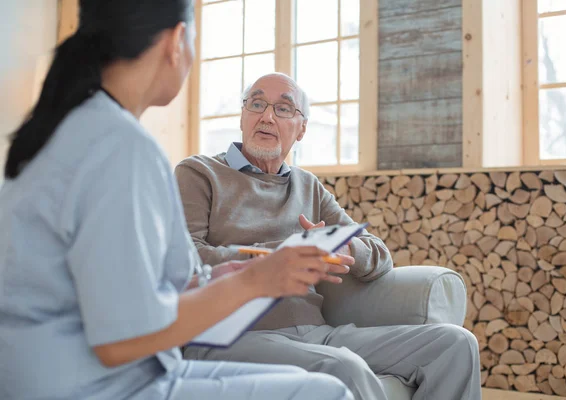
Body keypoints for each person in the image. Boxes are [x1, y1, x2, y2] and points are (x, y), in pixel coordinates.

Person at [0, 2, 355, 400]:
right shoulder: (121, 147)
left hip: (69, 374)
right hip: (92, 385)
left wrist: (216, 278)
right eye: (256, 104)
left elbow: (113, 283)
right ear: (177, 41)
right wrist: (257, 280)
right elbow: (122, 337)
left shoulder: (75, 130)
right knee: (328, 393)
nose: (267, 117)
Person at [176, 72, 482, 400]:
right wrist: (280, 253)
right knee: (344, 367)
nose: (266, 116)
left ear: (302, 128)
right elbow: (185, 260)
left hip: (315, 333)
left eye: (283, 108)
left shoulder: (308, 186)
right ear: (242, 115)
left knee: (455, 345)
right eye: (257, 103)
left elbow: (379, 256)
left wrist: (343, 245)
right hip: (231, 335)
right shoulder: (199, 173)